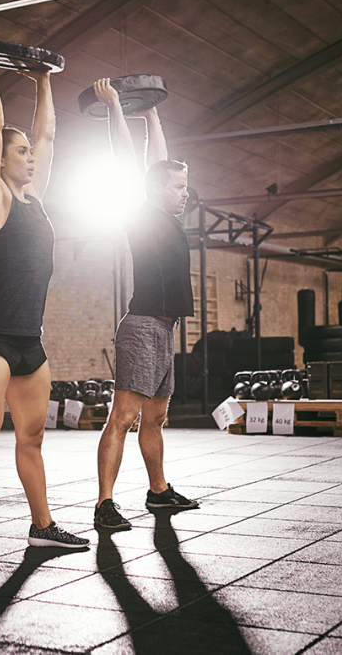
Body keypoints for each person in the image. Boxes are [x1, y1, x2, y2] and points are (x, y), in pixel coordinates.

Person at [0, 35, 89, 577]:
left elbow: (50, 131)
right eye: (21, 151)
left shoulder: (35, 199)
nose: (31, 155)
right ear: (0, 161)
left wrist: (44, 78)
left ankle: (42, 527)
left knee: (32, 437)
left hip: (30, 339)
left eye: (31, 151)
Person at [91, 78, 200, 531]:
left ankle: (158, 493)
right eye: (177, 187)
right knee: (124, 416)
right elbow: (128, 161)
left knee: (155, 417)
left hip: (165, 329)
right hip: (141, 327)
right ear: (157, 190)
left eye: (183, 186)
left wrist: (152, 112)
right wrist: (117, 105)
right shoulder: (141, 214)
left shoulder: (168, 216)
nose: (183, 193)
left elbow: (160, 162)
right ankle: (104, 504)